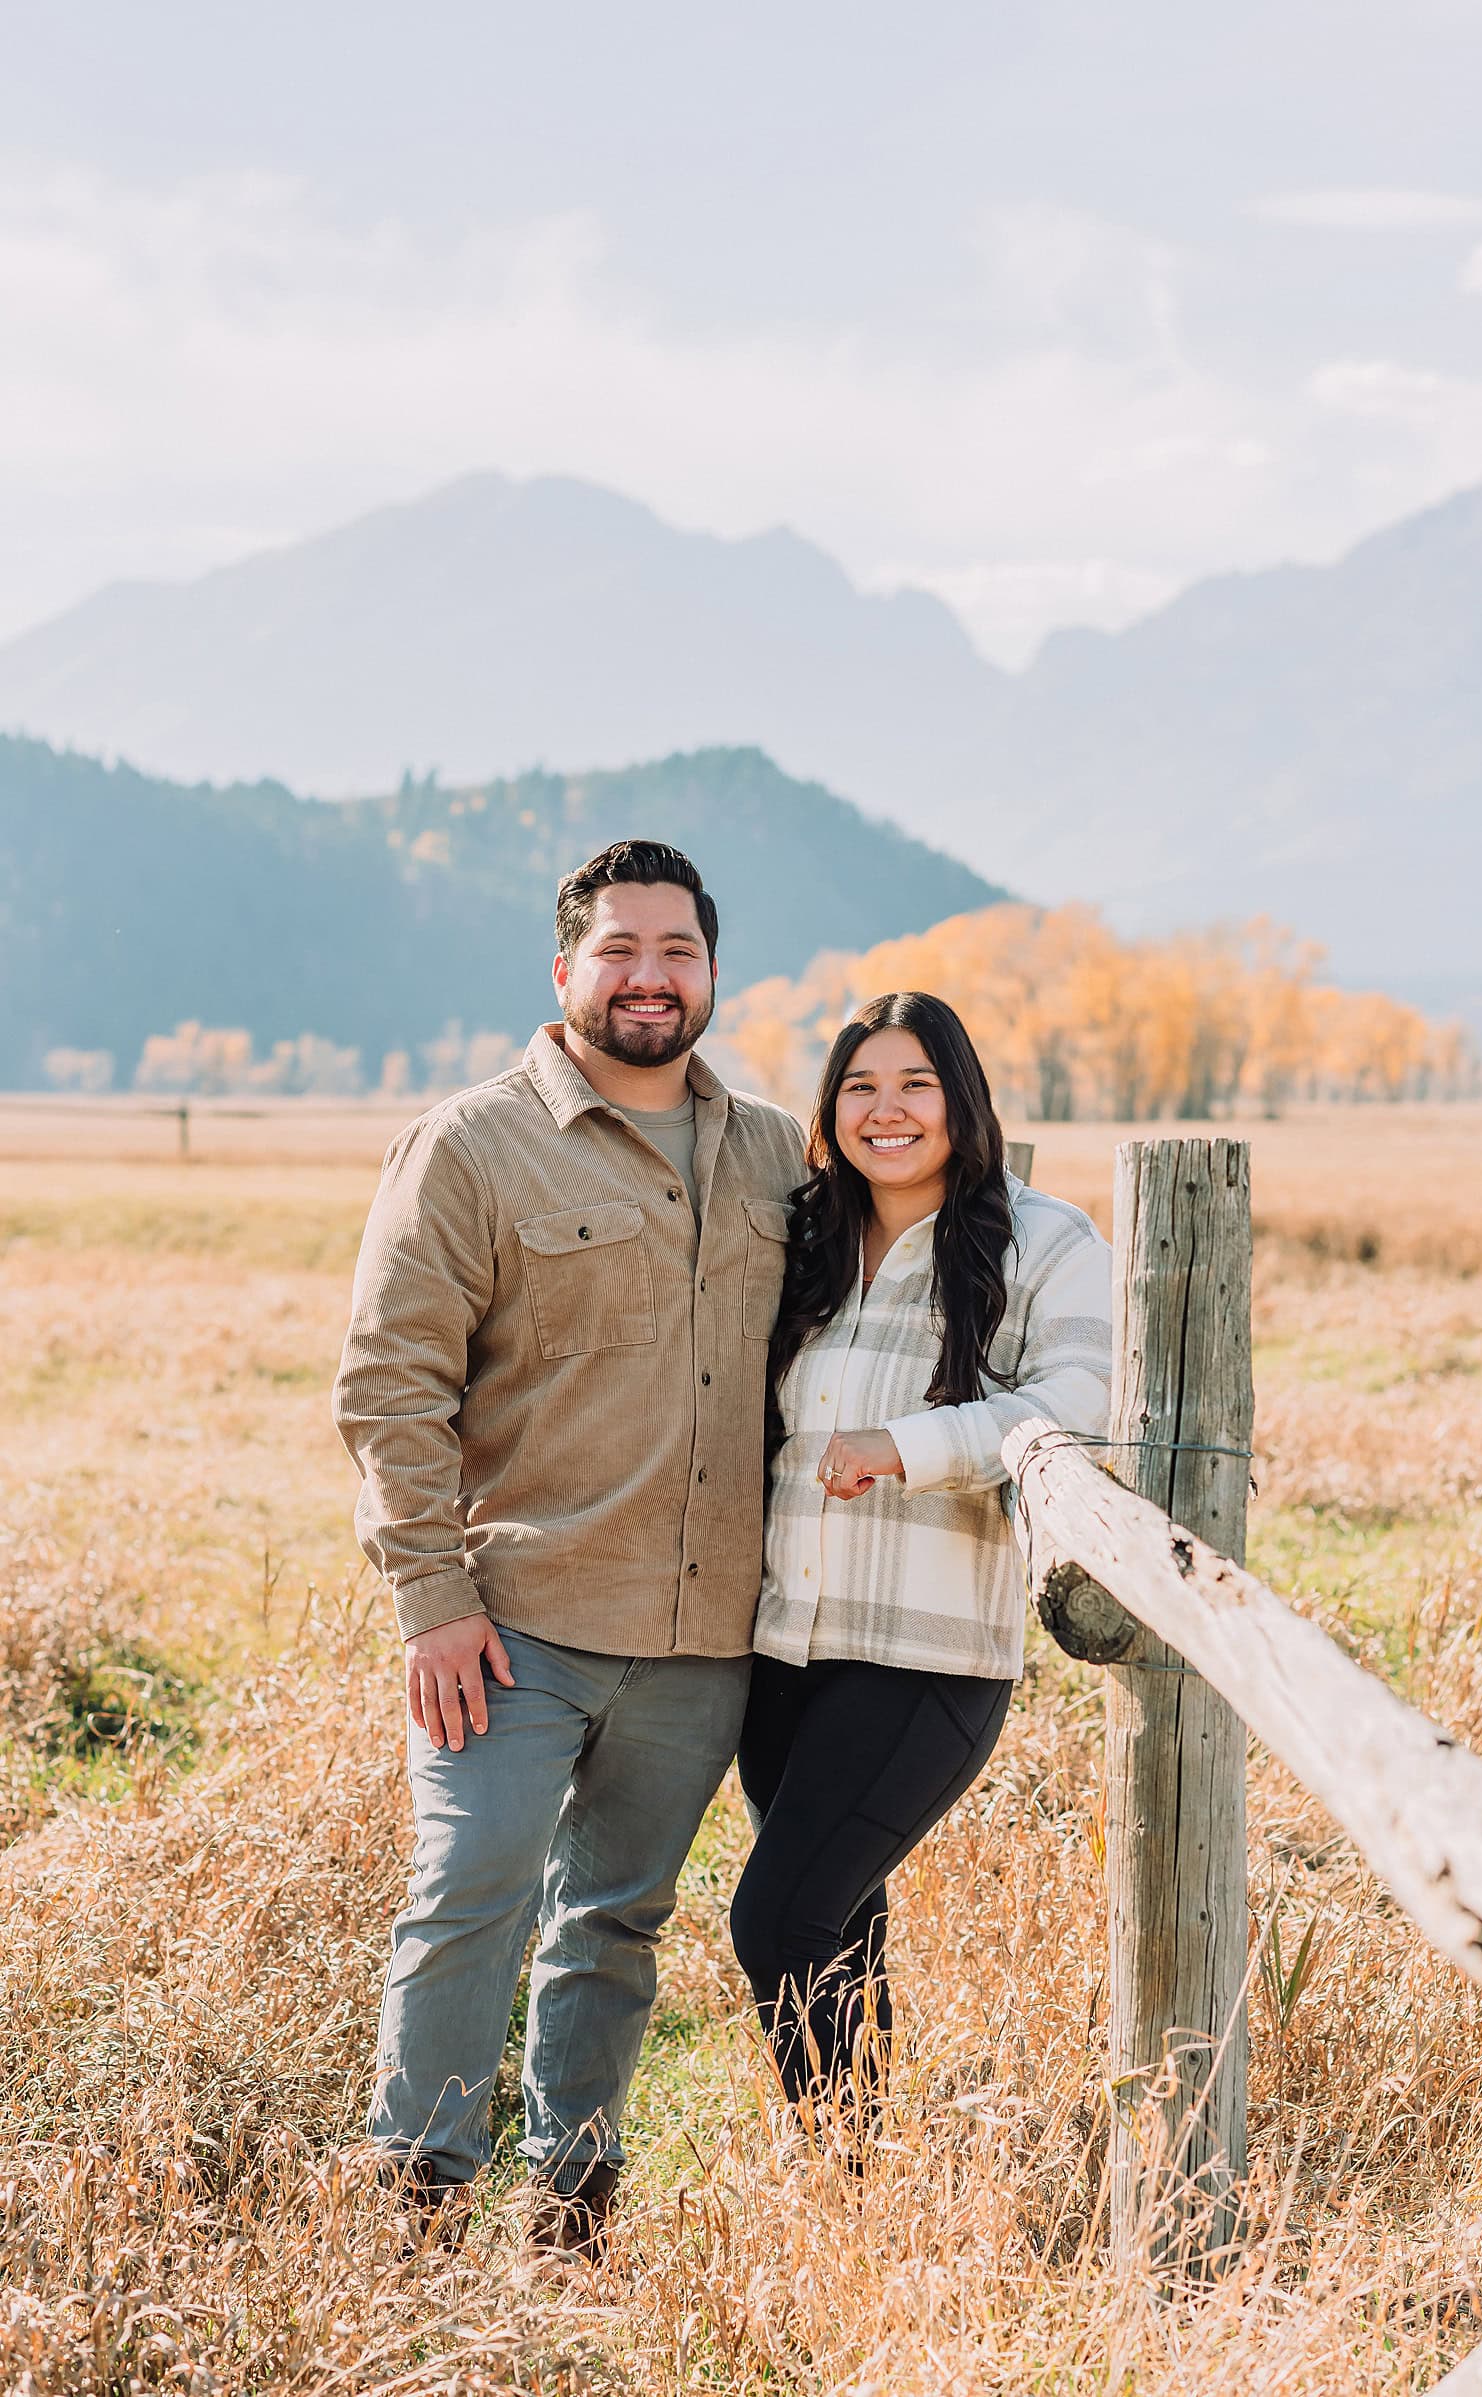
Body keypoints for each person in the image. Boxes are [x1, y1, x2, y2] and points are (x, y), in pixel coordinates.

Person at [333, 839, 804, 2253]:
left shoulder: (778, 1151)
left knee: (615, 1926)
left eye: (676, 950)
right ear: (563, 971)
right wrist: (431, 1599)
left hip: (704, 1638)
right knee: (468, 1898)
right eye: (619, 949)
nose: (649, 977)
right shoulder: (472, 1144)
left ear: (713, 972)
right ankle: (415, 2217)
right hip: (514, 1623)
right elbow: (388, 1382)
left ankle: (573, 2221)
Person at [729, 990, 1112, 2148]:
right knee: (838, 1930)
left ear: (961, 1101)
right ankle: (859, 2184)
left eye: (914, 1086)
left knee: (776, 1921)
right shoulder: (804, 1240)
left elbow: (1082, 1405)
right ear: (828, 1107)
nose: (884, 1112)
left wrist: (909, 1447)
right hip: (782, 1647)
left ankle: (841, 2168)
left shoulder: (1045, 1240)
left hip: (927, 1649)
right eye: (858, 1087)